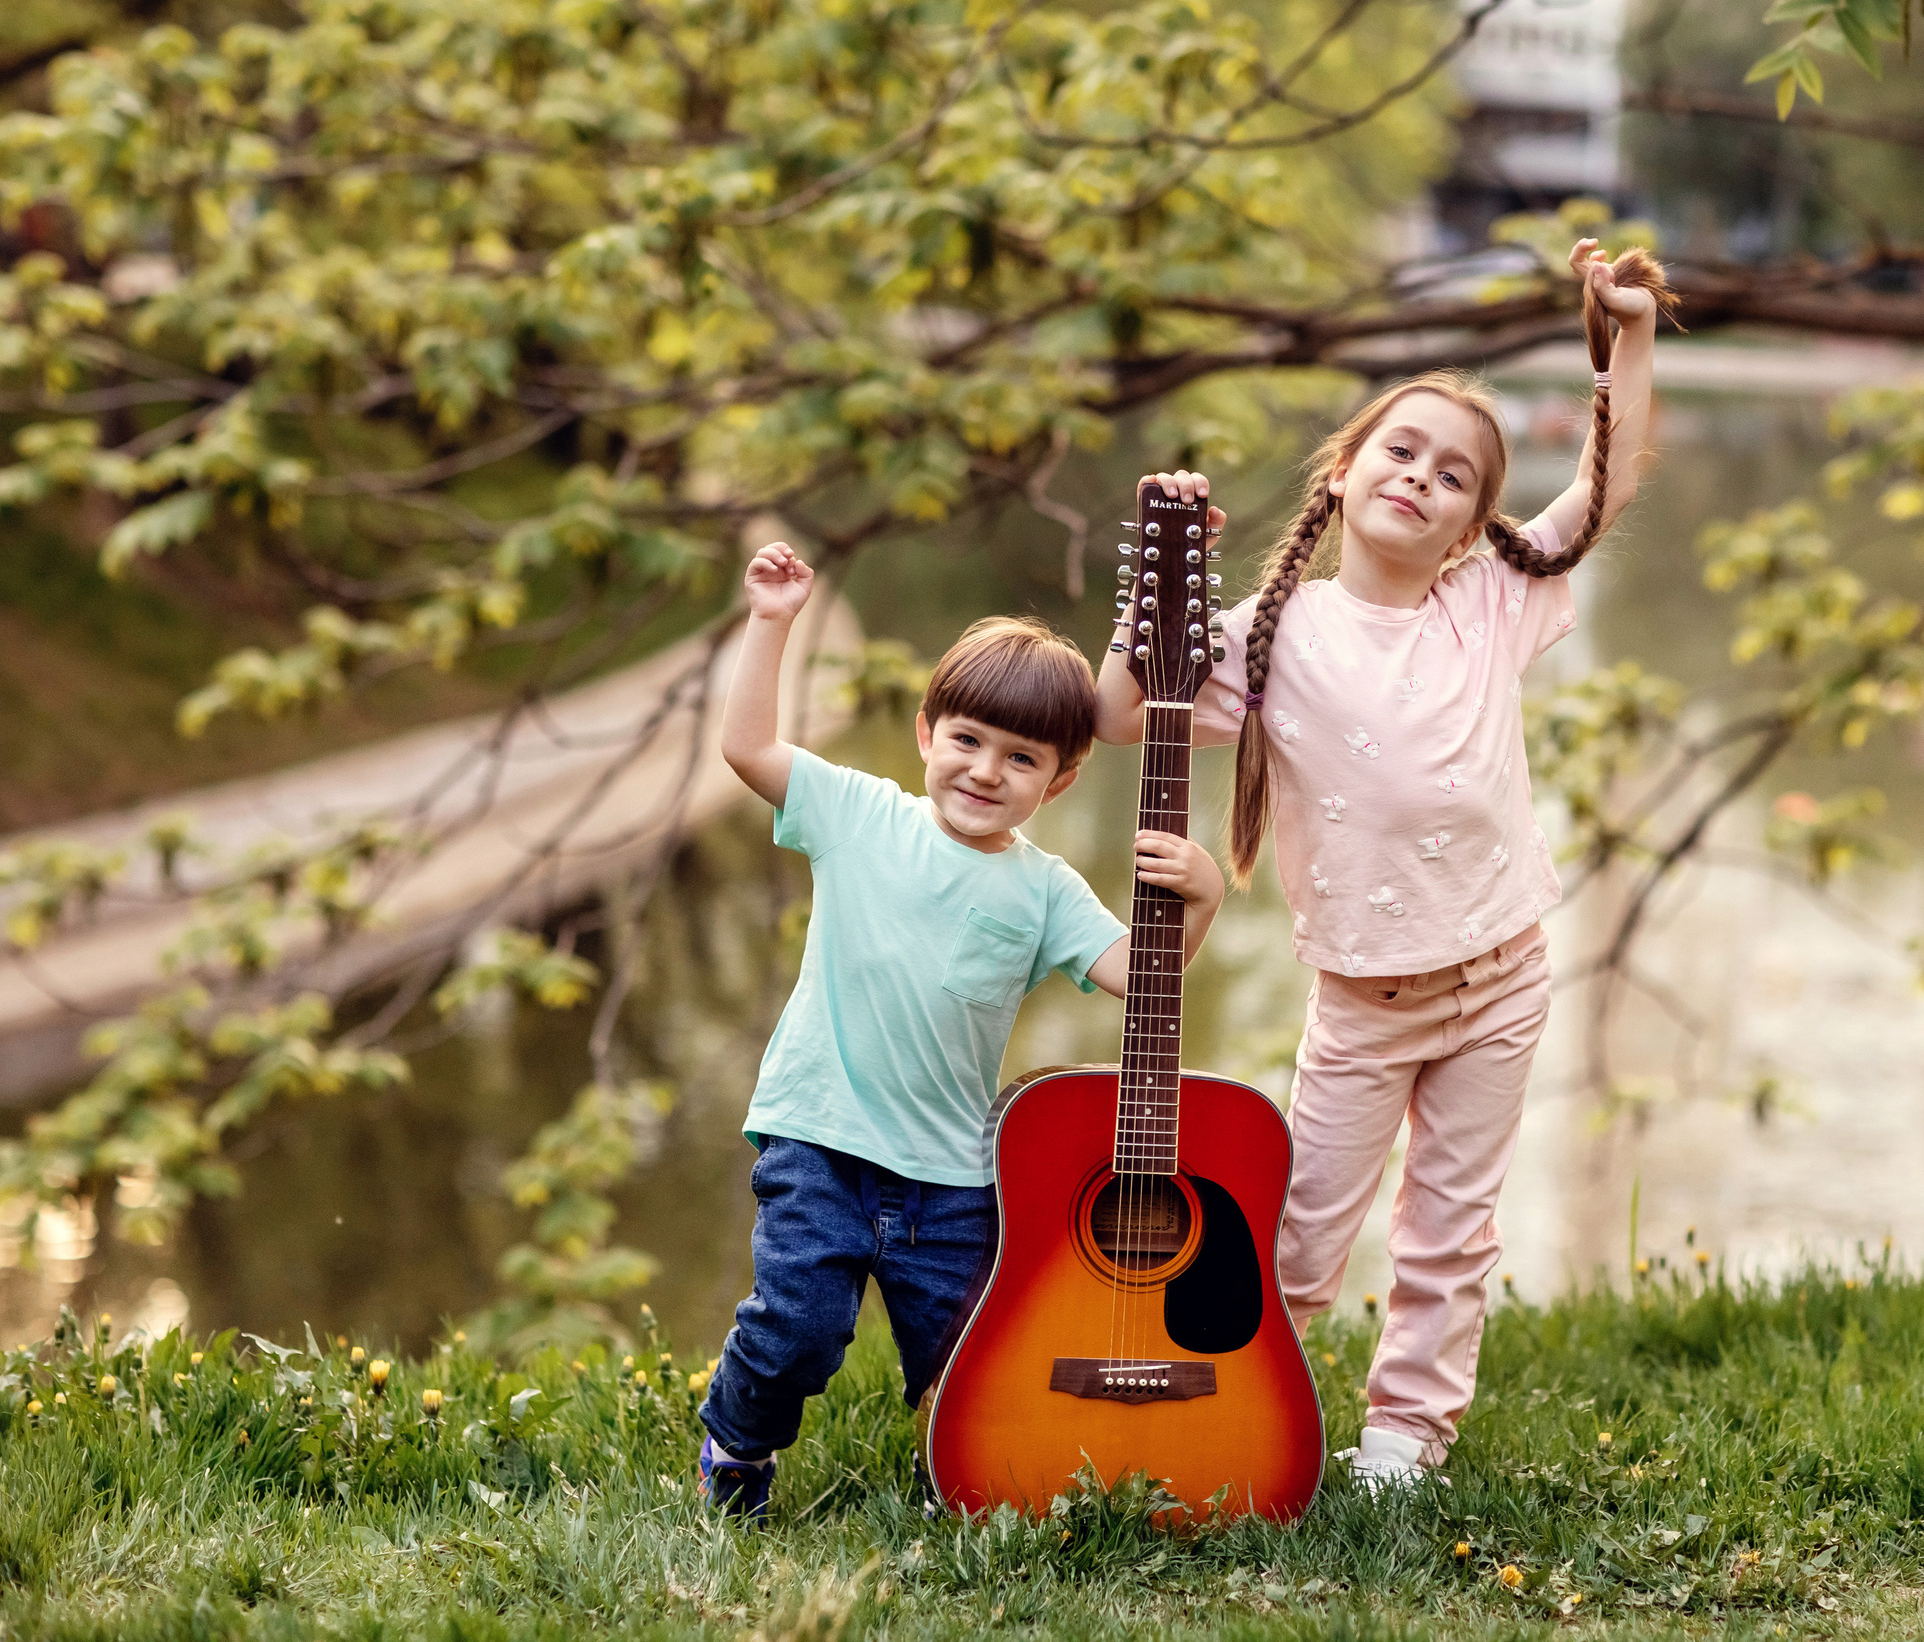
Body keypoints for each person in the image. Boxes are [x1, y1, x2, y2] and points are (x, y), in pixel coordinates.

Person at [1096, 239, 1674, 1487]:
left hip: (1501, 976)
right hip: (1363, 1000)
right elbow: (1113, 714)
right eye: (1401, 451)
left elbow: (1611, 479)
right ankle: (1249, 1407)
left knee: (1449, 1232)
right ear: (1346, 470)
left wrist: (1624, 331)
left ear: (1478, 522)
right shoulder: (1272, 636)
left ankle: (1405, 1441)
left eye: (1455, 474)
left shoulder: (1488, 603)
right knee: (1300, 1236)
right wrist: (1157, 589)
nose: (1422, 476)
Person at [700, 544, 1227, 1522]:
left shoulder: (1043, 891)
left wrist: (1203, 900)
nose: (986, 771)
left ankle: (960, 1474)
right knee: (800, 1332)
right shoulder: (858, 814)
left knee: (966, 1353)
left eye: (1021, 758)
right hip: (819, 1135)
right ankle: (737, 1443)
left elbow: (1136, 975)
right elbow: (747, 750)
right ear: (925, 733)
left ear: (1060, 781)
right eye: (969, 740)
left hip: (947, 1173)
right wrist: (771, 622)